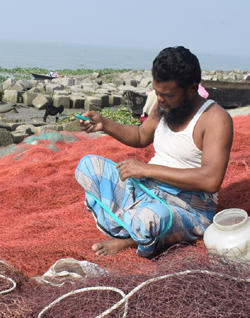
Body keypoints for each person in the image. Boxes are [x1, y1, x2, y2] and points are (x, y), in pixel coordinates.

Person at [75, 46, 233, 257]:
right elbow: (141, 135)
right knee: (88, 167)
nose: (159, 99)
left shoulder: (215, 119)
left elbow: (211, 180)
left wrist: (148, 170)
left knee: (151, 219)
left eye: (167, 94)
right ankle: (136, 226)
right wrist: (104, 124)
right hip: (147, 189)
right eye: (157, 92)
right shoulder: (164, 106)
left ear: (191, 88)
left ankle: (132, 237)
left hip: (187, 206)